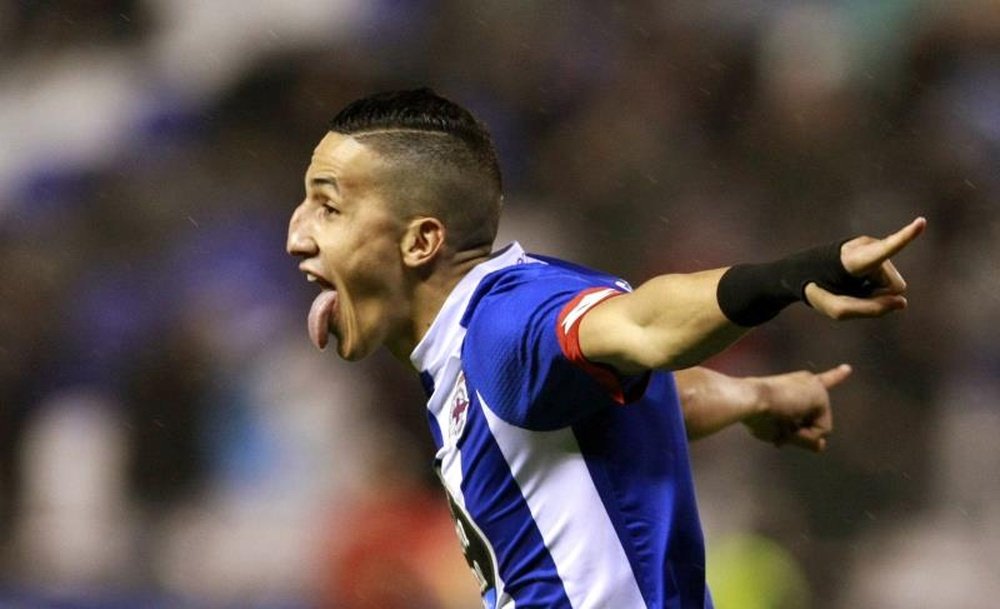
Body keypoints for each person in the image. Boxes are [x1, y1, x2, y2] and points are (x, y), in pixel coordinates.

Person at [285, 88, 925, 609]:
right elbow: (628, 392)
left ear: (421, 241)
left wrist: (795, 276)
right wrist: (752, 394)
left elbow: (647, 323)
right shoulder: (481, 342)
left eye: (328, 208)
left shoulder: (503, 325)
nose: (296, 236)